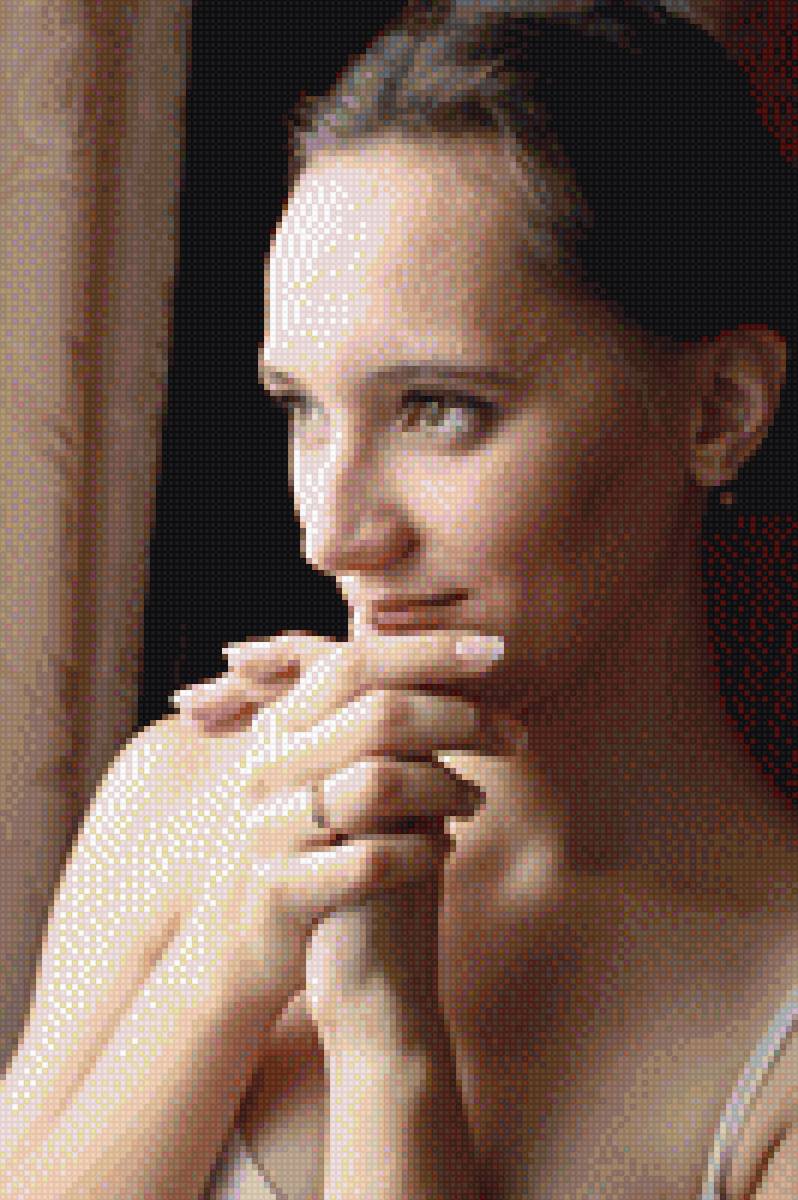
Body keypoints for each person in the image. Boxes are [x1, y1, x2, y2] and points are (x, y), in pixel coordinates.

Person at [2, 3, 797, 1199]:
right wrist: (225, 958)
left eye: (439, 409)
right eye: (300, 408)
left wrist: (383, 1032)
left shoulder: (774, 1019)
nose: (332, 535)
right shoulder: (181, 798)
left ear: (720, 409)